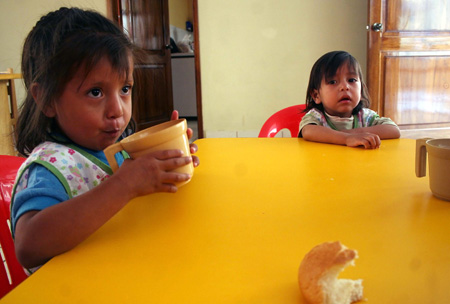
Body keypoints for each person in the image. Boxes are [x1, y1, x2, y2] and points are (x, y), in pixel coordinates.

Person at [11, 7, 199, 272]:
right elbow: (29, 245)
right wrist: (126, 184)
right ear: (46, 99)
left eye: (125, 89)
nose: (117, 110)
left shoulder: (116, 148)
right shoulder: (50, 167)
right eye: (96, 92)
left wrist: (164, 168)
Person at [298, 51, 400, 149]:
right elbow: (308, 131)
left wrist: (356, 133)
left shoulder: (365, 117)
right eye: (333, 82)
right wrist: (346, 138)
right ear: (316, 95)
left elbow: (393, 130)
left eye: (351, 80)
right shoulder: (317, 117)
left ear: (361, 89)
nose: (345, 87)